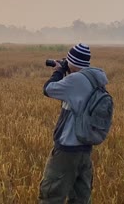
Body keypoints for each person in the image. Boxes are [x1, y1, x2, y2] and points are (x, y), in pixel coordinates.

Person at [39, 43, 108, 204]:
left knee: (51, 196)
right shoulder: (95, 79)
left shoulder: (76, 80)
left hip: (67, 151)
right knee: (80, 199)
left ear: (72, 62)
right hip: (84, 150)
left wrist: (58, 71)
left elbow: (48, 89)